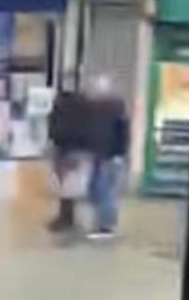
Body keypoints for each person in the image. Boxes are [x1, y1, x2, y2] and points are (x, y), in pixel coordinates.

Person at [86, 75, 129, 240]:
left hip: (110, 156)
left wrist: (119, 154)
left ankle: (106, 226)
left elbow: (123, 133)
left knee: (104, 191)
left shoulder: (116, 108)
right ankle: (101, 222)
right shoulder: (95, 109)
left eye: (99, 88)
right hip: (98, 155)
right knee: (95, 190)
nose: (96, 91)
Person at [47, 81, 93, 233]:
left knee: (64, 186)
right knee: (72, 186)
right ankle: (69, 217)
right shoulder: (85, 110)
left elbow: (54, 131)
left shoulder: (60, 110)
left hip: (64, 150)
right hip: (79, 151)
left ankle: (65, 218)